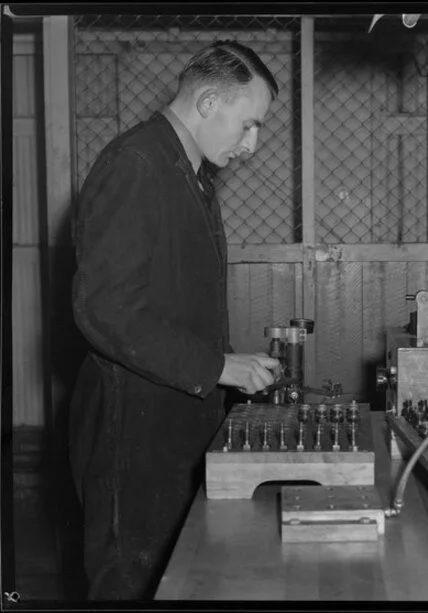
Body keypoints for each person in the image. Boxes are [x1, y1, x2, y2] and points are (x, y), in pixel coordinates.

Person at [69, 40, 281, 600]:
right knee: (131, 585)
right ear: (209, 101)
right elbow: (105, 309)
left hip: (171, 424)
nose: (252, 145)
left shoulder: (189, 172)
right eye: (249, 125)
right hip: (132, 430)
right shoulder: (136, 164)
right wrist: (218, 367)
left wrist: (227, 371)